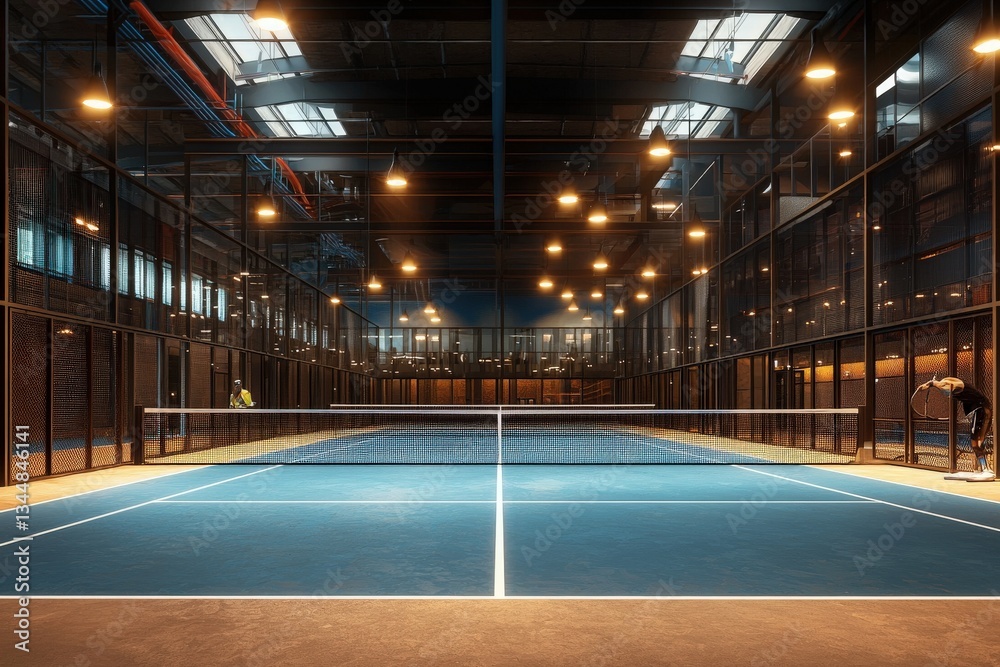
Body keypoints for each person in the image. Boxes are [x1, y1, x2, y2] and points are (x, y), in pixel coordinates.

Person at [918, 377, 994, 481]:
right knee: (977, 442)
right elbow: (940, 385)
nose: (947, 394)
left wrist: (932, 384)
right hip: (981, 410)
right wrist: (929, 384)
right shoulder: (957, 389)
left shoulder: (957, 385)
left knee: (976, 443)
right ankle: (983, 469)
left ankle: (986, 470)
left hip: (981, 410)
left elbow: (942, 385)